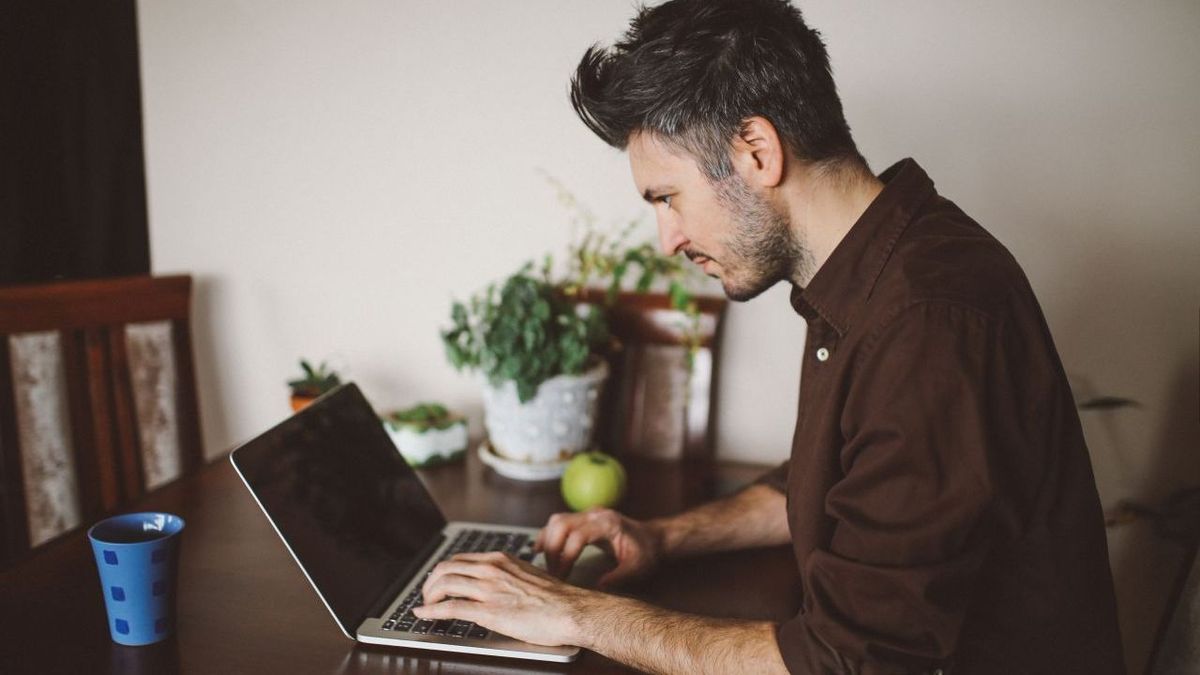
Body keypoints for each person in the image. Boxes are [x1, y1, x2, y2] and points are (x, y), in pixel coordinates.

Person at [413, 1, 1125, 672]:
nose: (668, 238)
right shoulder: (879, 271)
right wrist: (662, 535)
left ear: (756, 151)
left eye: (667, 197)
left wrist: (577, 612)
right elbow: (825, 484)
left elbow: (845, 659)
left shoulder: (927, 321)